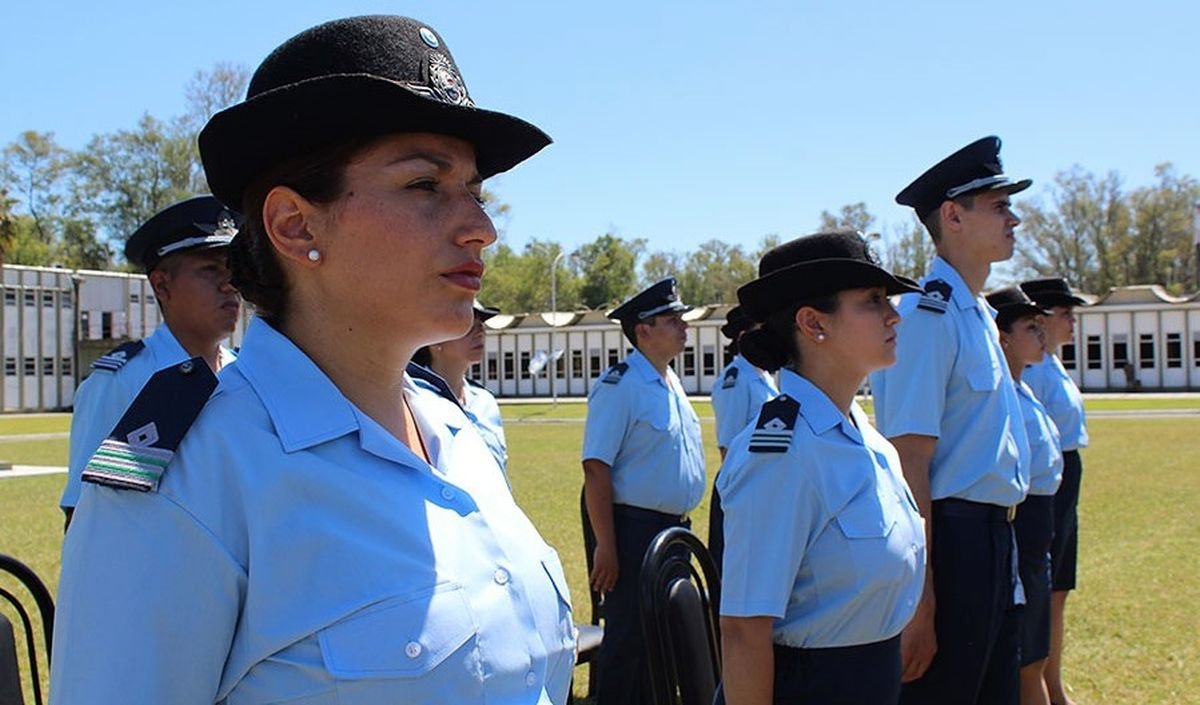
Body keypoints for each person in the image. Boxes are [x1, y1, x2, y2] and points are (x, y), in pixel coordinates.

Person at [50, 16, 576, 704]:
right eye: (425, 184)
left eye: (475, 189)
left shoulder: (458, 436)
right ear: (296, 225)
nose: (482, 225)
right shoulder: (192, 472)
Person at [717, 231, 927, 705]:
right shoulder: (780, 453)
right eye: (873, 302)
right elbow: (743, 632)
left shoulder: (866, 437)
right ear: (814, 323)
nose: (895, 315)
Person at [869, 136, 1031, 705]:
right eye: (999, 205)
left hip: (994, 537)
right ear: (952, 215)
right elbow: (911, 460)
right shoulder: (928, 315)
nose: (1014, 217)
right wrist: (922, 595)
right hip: (953, 542)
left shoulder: (979, 313)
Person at [58, 195, 239, 527]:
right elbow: (85, 514)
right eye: (210, 270)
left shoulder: (243, 376)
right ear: (162, 285)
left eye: (232, 270)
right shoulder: (126, 380)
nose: (229, 285)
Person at [581, 276, 707, 705]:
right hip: (635, 530)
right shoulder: (621, 385)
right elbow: (596, 468)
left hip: (674, 530)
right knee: (629, 638)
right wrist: (606, 545)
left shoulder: (671, 381)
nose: (682, 325)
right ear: (643, 330)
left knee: (665, 636)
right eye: (671, 319)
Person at [987, 286, 1064, 705]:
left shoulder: (1023, 389)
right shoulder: (999, 396)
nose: (1042, 333)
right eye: (1030, 326)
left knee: (1035, 645)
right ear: (1003, 338)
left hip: (1040, 525)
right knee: (1024, 652)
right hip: (1021, 522)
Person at [1019, 277, 1089, 705]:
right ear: (1039, 318)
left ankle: (1052, 683)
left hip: (1064, 480)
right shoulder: (1033, 369)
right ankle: (1040, 687)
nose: (1071, 321)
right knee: (1043, 594)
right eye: (1064, 312)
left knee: (1058, 591)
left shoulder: (1051, 364)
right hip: (1045, 489)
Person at [708, 304, 777, 573]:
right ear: (744, 337)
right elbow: (729, 446)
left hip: (765, 485)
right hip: (741, 488)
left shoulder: (765, 376)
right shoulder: (736, 379)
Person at [410, 300, 508, 471]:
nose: (480, 333)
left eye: (481, 326)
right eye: (468, 325)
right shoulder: (412, 399)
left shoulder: (485, 401)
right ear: (434, 340)